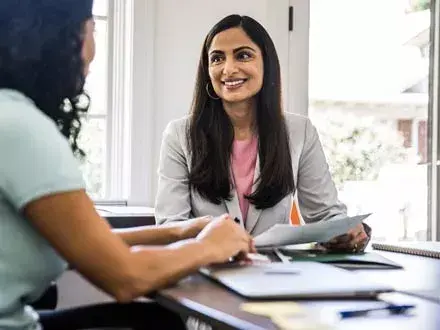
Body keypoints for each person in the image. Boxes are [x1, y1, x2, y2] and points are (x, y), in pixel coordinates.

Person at [0, 2, 254, 329]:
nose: (93, 51)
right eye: (92, 29)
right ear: (63, 38)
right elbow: (125, 276)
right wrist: (208, 246)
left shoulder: (10, 116)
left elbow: (90, 244)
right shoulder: (21, 129)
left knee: (155, 318)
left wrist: (181, 230)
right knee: (160, 322)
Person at [155, 14, 371, 252]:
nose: (228, 69)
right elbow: (170, 227)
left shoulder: (300, 132)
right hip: (206, 272)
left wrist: (344, 232)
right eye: (217, 58)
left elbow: (325, 214)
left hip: (276, 276)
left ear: (266, 64)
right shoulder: (179, 135)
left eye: (243, 55)